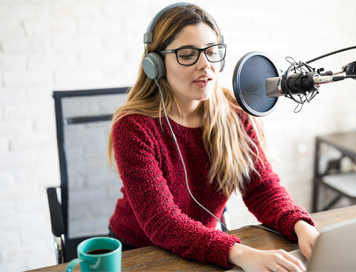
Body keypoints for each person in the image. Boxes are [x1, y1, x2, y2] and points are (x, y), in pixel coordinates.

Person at [107, 3, 319, 272]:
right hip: (140, 253)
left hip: (203, 248)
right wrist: (240, 252)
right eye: (187, 54)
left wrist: (301, 226)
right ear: (156, 64)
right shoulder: (134, 127)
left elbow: (261, 188)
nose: (205, 65)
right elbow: (162, 222)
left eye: (211, 52)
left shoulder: (235, 114)